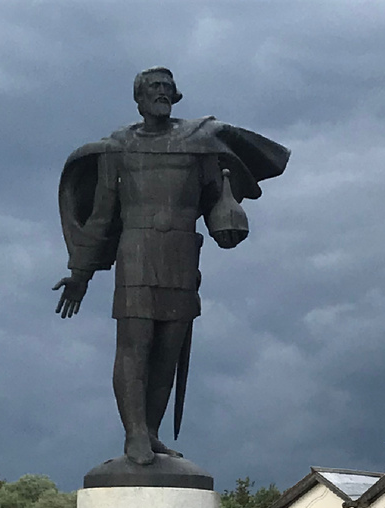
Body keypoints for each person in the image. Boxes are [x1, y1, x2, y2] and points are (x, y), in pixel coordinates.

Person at [55, 67, 288, 465]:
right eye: (153, 88)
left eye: (167, 88)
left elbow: (219, 200)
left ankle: (152, 431)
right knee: (135, 345)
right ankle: (135, 436)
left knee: (168, 348)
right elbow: (102, 214)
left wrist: (227, 220)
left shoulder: (198, 143)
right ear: (139, 99)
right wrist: (81, 273)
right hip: (136, 253)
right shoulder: (118, 148)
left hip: (182, 253)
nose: (161, 94)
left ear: (175, 95)